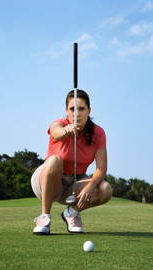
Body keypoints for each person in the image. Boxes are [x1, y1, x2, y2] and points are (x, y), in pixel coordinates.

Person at [31, 89, 112, 235]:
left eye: (81, 109)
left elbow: (101, 168)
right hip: (46, 180)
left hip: (74, 183)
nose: (76, 113)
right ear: (66, 111)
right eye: (72, 109)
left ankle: (71, 213)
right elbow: (56, 132)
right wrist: (66, 131)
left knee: (105, 189)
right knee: (54, 160)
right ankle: (44, 217)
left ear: (89, 110)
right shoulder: (59, 124)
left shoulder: (98, 133)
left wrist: (91, 185)